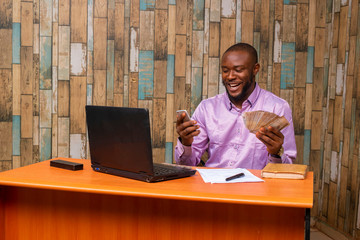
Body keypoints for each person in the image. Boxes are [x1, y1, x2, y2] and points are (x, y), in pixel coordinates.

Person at [175, 43, 296, 169]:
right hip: (214, 186)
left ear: (255, 69)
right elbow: (187, 165)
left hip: (257, 187)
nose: (230, 76)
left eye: (238, 70)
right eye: (225, 71)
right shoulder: (207, 108)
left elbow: (287, 169)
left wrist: (276, 153)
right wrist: (186, 143)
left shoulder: (278, 108)